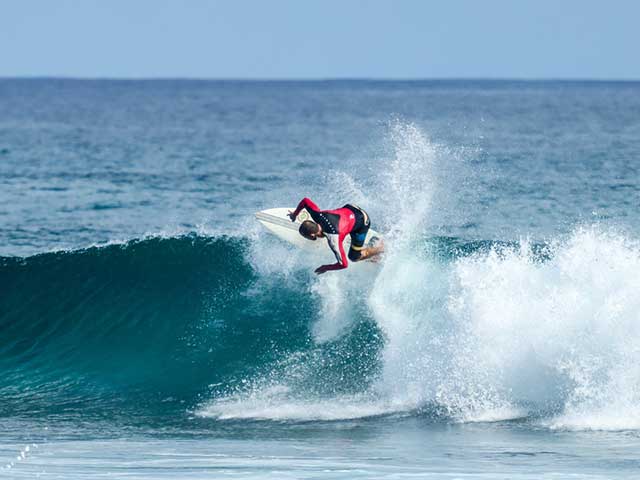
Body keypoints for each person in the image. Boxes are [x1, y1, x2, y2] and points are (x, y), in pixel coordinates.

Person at [288, 197, 384, 274]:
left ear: (312, 234)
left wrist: (325, 267)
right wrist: (295, 214)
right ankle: (349, 232)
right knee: (340, 226)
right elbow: (305, 201)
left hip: (362, 222)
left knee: (353, 257)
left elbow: (344, 264)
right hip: (352, 208)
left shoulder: (333, 240)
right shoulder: (317, 215)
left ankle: (381, 249)